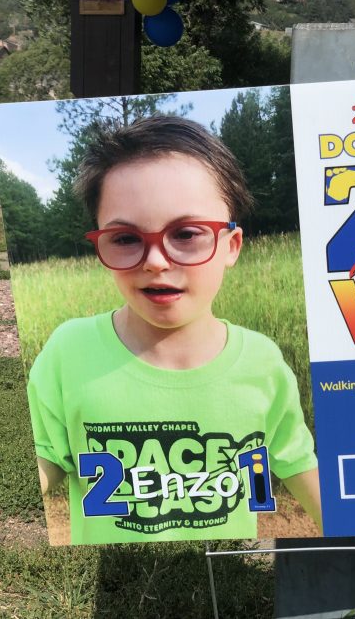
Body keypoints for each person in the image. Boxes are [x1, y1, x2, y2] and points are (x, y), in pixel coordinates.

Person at [27, 115, 321, 545]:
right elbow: (42, 458)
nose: (156, 261)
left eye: (186, 233)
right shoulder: (67, 351)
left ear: (231, 246)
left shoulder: (262, 359)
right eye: (125, 238)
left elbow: (298, 464)